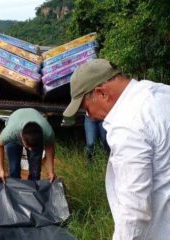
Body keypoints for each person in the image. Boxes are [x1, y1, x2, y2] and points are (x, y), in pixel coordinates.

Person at [63, 58, 170, 239]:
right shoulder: (159, 93)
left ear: (101, 93)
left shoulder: (128, 125)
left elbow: (134, 211)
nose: (90, 116)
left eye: (86, 108)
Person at [0, 108, 56, 183]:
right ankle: (15, 189)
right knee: (14, 168)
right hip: (15, 125)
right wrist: (1, 170)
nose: (30, 150)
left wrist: (51, 172)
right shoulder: (11, 132)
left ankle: (33, 190)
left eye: (33, 147)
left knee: (35, 171)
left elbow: (49, 147)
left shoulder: (48, 133)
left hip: (34, 120)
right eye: (28, 147)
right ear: (22, 138)